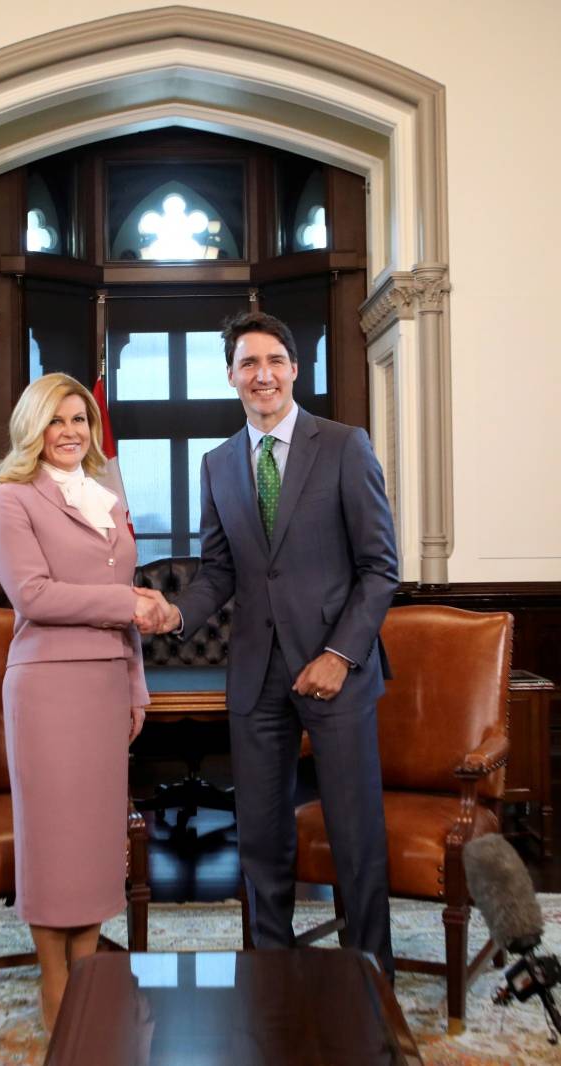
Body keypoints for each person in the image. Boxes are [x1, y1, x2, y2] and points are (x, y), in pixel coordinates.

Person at [142, 310, 399, 977]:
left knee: (354, 836)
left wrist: (339, 656)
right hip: (255, 675)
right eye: (248, 363)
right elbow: (220, 570)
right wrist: (174, 614)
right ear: (232, 376)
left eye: (275, 360)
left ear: (294, 369)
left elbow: (379, 569)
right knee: (260, 838)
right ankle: (271, 977)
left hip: (336, 671)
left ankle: (370, 979)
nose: (263, 374)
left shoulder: (344, 446)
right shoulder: (218, 463)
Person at [0, 372, 173, 1029]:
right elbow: (33, 596)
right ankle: (54, 981)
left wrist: (136, 686)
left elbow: (127, 618)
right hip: (47, 686)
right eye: (57, 421)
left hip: (105, 688)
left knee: (96, 840)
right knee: (52, 838)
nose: (71, 433)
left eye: (81, 421)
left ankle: (88, 971)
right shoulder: (9, 500)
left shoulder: (107, 500)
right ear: (33, 429)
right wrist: (128, 604)